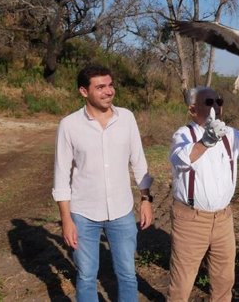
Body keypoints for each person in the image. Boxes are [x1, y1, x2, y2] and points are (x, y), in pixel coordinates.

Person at [168, 86, 239, 302]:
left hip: (223, 219)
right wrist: (206, 142)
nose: (216, 107)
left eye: (219, 102)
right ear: (193, 110)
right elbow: (180, 159)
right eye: (209, 102)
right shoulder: (184, 134)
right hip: (191, 219)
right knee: (182, 283)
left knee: (224, 279)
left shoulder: (229, 134)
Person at [52, 64, 154, 302]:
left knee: (127, 274)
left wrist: (146, 199)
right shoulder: (69, 125)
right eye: (100, 87)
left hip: (122, 212)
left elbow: (138, 161)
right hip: (83, 214)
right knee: (87, 276)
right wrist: (66, 219)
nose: (108, 91)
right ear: (84, 92)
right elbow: (61, 175)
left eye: (110, 85)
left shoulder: (126, 118)